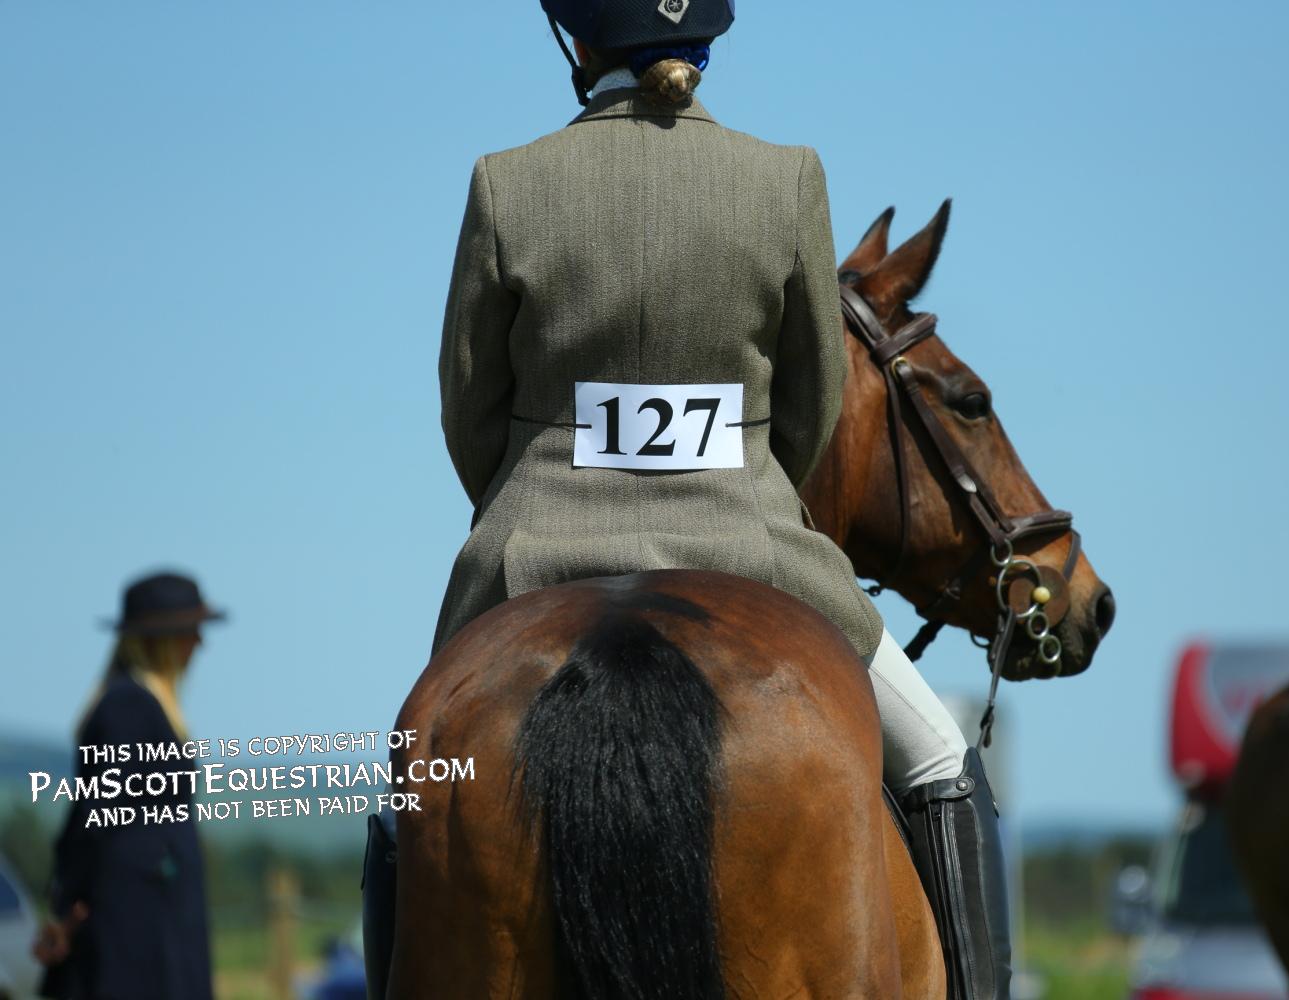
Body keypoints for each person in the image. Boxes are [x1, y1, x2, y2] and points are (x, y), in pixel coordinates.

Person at [366, 2, 1011, 997]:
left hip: (532, 551)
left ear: (580, 40)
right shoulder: (786, 177)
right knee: (938, 761)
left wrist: (534, 504)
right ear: (708, 43)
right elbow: (812, 405)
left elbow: (471, 409)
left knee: (413, 791)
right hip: (753, 543)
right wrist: (747, 494)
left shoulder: (506, 182)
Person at [33, 571, 224, 1000]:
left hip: (150, 919)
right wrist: (68, 901)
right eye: (191, 631)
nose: (199, 643)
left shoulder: (140, 706)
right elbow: (94, 816)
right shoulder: (127, 709)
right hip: (136, 932)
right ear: (161, 640)